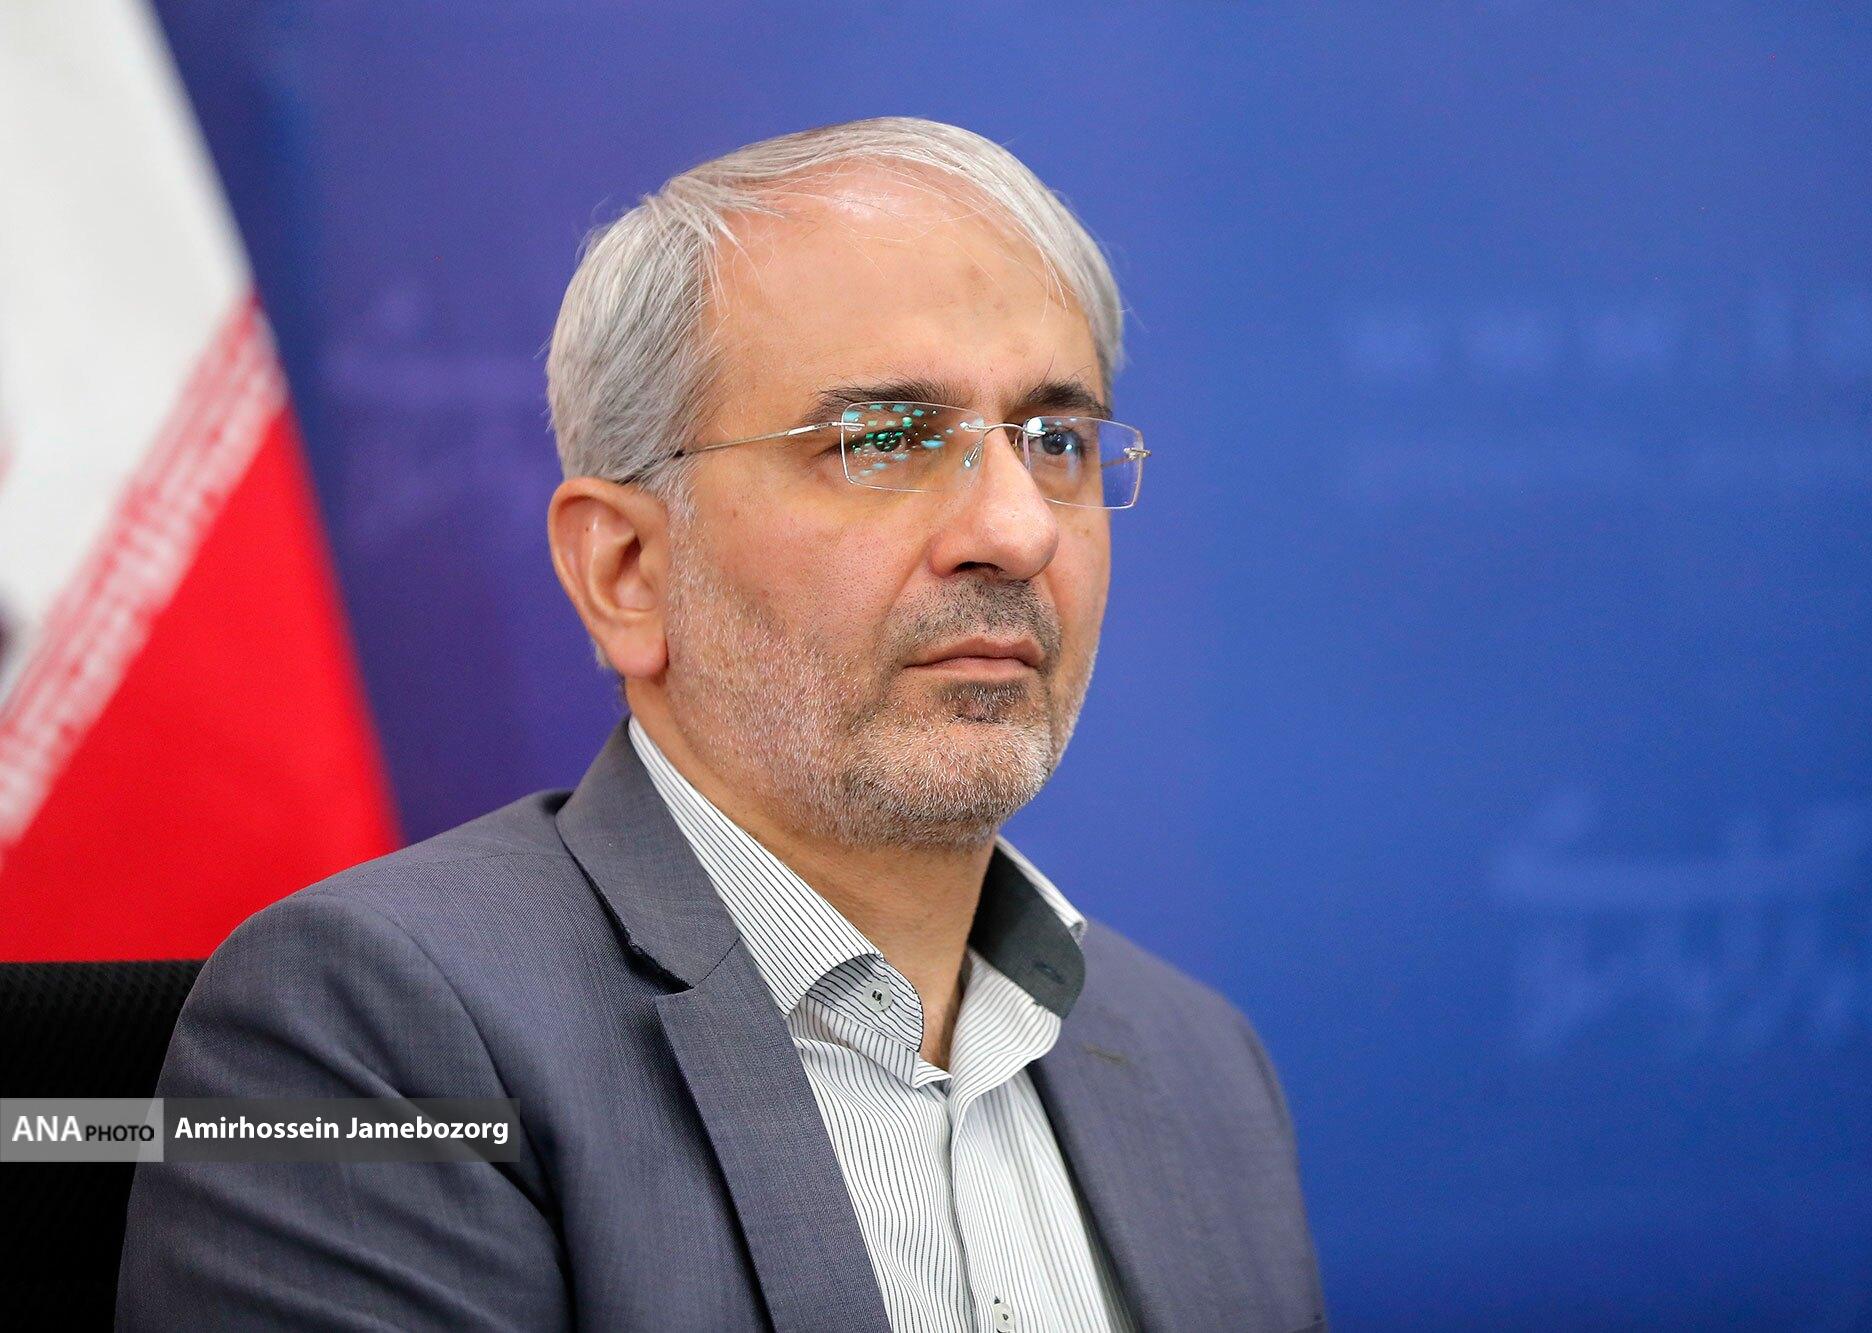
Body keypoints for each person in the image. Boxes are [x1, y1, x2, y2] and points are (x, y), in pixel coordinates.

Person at [118, 117, 1324, 1332]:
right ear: (628, 570)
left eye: (1055, 441)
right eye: (884, 441)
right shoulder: (373, 1029)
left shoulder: (1199, 1070)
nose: (1017, 532)